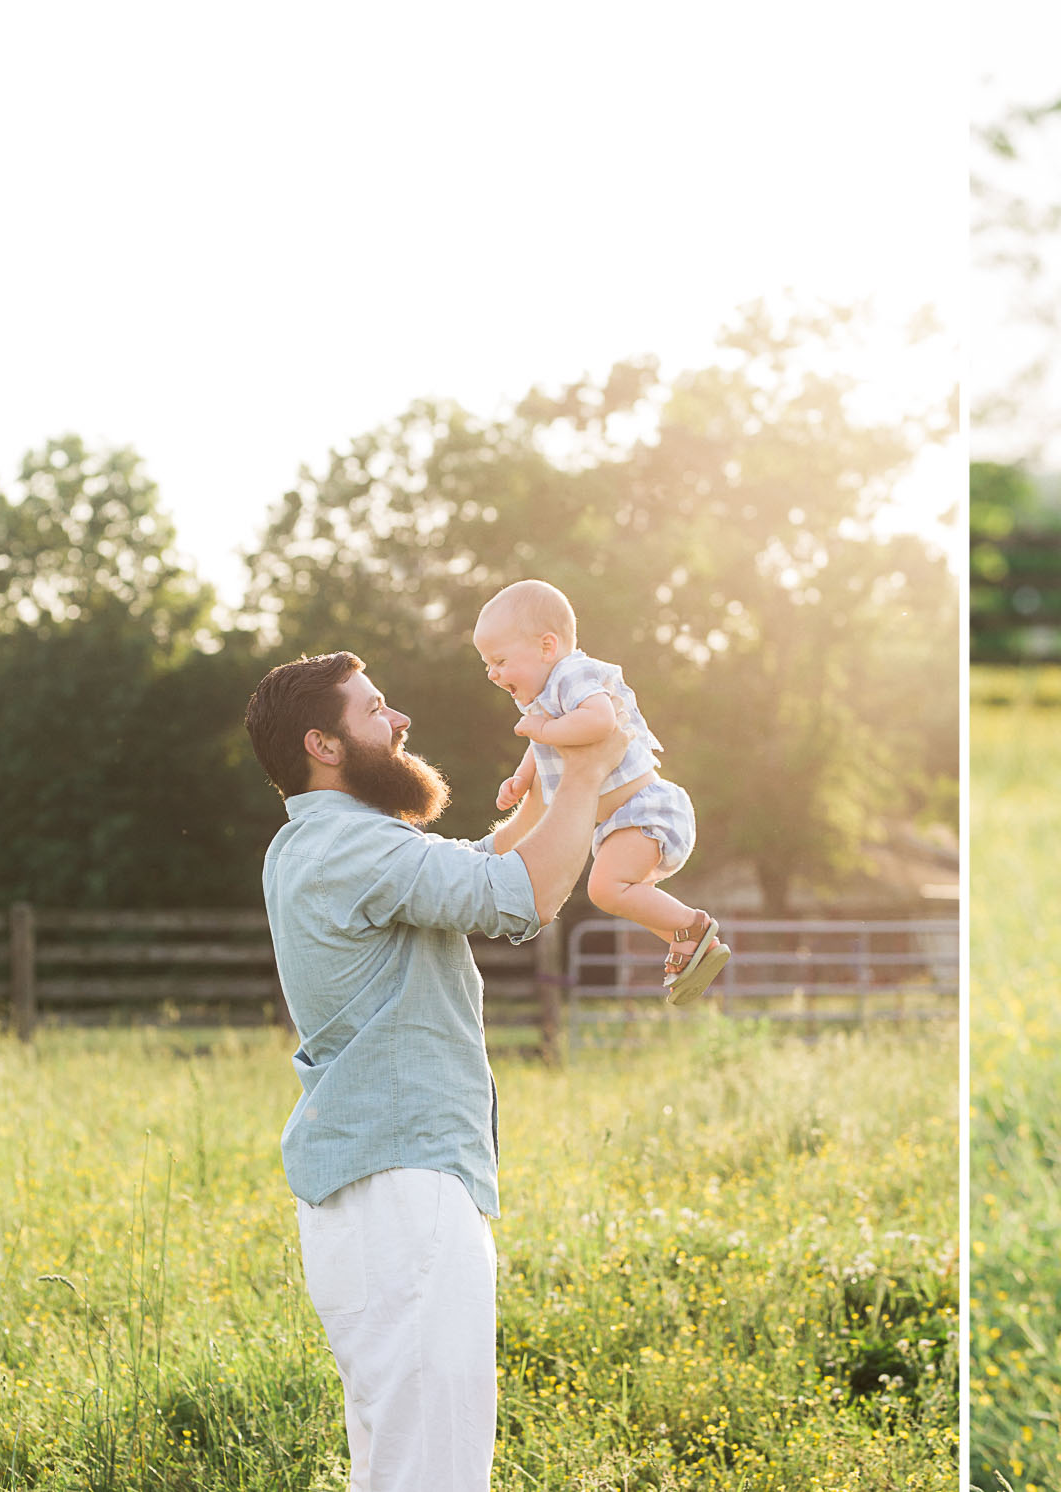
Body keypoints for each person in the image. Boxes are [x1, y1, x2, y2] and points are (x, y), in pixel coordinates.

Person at [244, 649, 624, 1492]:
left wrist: (550, 790)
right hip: (403, 1192)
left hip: (375, 1191)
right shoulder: (351, 848)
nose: (399, 719)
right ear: (325, 744)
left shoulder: (318, 843)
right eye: (375, 709)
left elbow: (471, 867)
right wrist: (593, 771)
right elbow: (520, 896)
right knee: (436, 1474)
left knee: (398, 1467)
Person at [473, 578, 728, 1004]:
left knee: (605, 890)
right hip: (619, 822)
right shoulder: (542, 698)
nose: (493, 673)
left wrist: (545, 728)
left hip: (646, 811)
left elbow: (600, 721)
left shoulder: (572, 674)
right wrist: (522, 777)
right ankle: (690, 943)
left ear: (547, 647)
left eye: (499, 660)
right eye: (486, 664)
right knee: (613, 890)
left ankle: (695, 926)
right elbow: (544, 744)